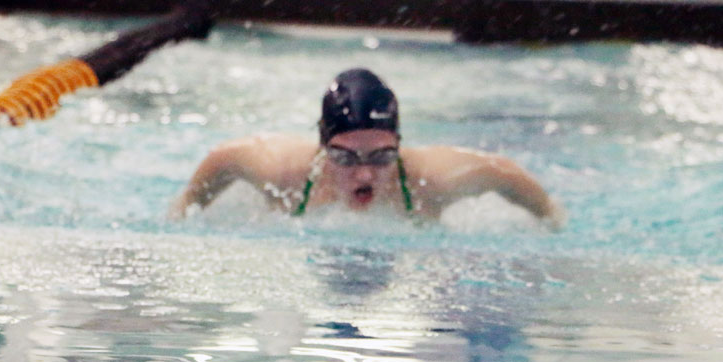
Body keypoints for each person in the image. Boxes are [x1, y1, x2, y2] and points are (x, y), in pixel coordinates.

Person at [170, 68, 564, 229]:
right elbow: (224, 157)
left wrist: (551, 219)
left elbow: (504, 173)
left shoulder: (432, 178)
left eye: (381, 156)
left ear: (399, 145)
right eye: (344, 157)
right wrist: (184, 210)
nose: (364, 174)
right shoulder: (282, 171)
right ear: (323, 147)